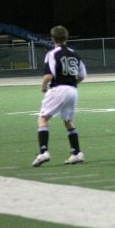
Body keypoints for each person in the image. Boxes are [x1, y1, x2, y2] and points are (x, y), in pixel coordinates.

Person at [32, 25, 86, 167]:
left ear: (53, 38)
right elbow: (82, 75)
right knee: (68, 120)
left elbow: (48, 75)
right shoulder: (74, 53)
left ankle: (43, 152)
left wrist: (43, 86)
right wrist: (71, 83)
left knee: (43, 118)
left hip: (58, 89)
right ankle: (77, 153)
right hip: (72, 90)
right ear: (66, 38)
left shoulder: (52, 54)